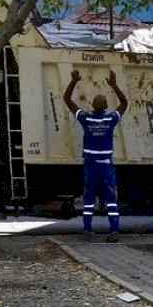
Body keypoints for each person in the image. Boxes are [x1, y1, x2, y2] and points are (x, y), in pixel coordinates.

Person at [63, 70, 128, 242]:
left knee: (89, 200)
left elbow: (67, 100)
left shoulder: (86, 119)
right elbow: (124, 104)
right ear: (106, 107)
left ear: (92, 106)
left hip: (91, 166)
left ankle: (87, 230)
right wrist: (114, 86)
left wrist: (73, 81)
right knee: (111, 200)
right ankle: (114, 231)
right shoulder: (110, 119)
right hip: (106, 166)